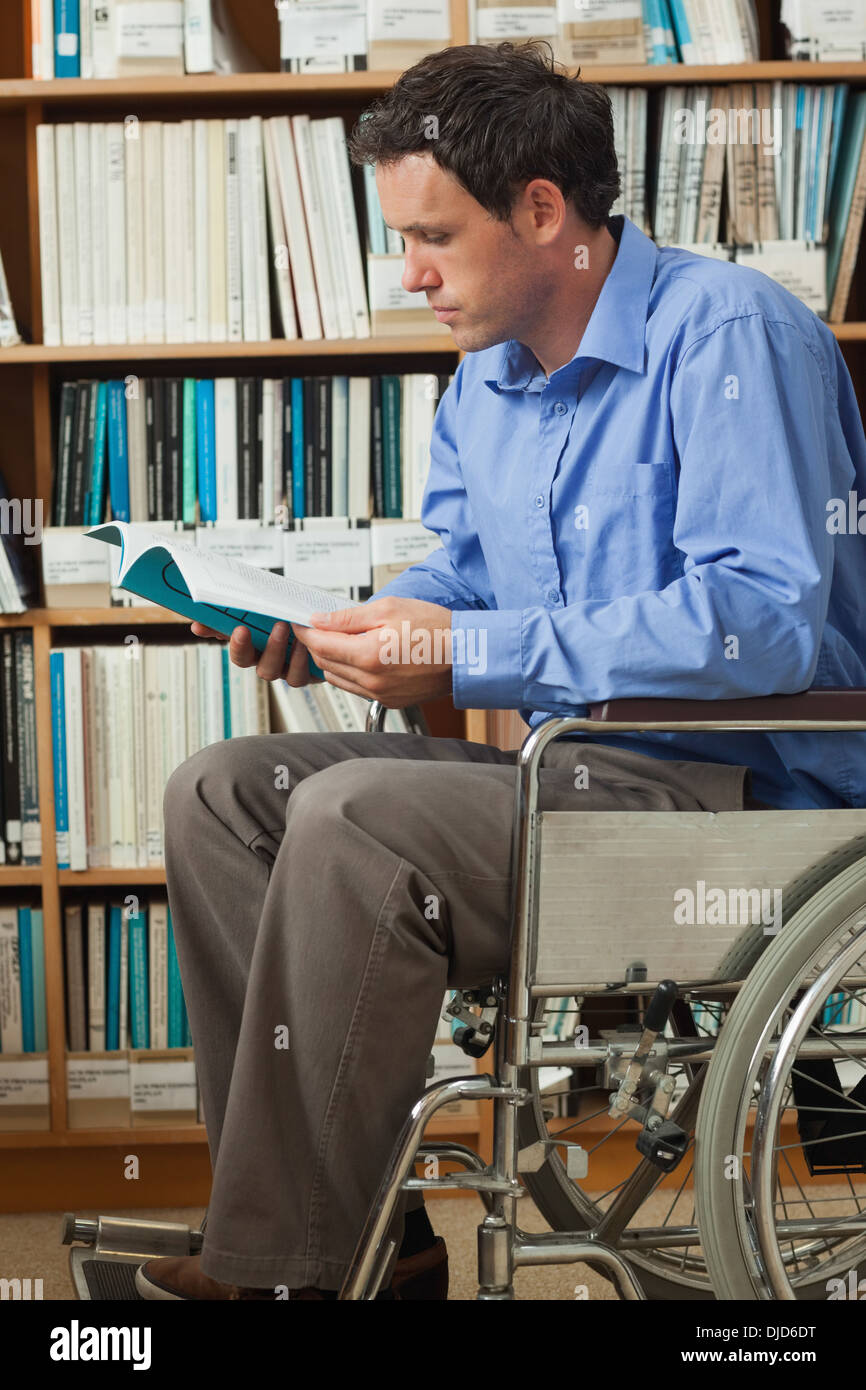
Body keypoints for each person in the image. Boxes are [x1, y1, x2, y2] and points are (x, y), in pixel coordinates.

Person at [136, 39, 866, 1300]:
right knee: (222, 792)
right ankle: (366, 1234)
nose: (407, 274)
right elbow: (463, 578)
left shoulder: (732, 334)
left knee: (358, 815)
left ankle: (287, 1272)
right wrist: (354, 629)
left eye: (432, 237)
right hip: (575, 779)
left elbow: (763, 623)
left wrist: (463, 649)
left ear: (540, 211)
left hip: (743, 804)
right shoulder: (487, 375)